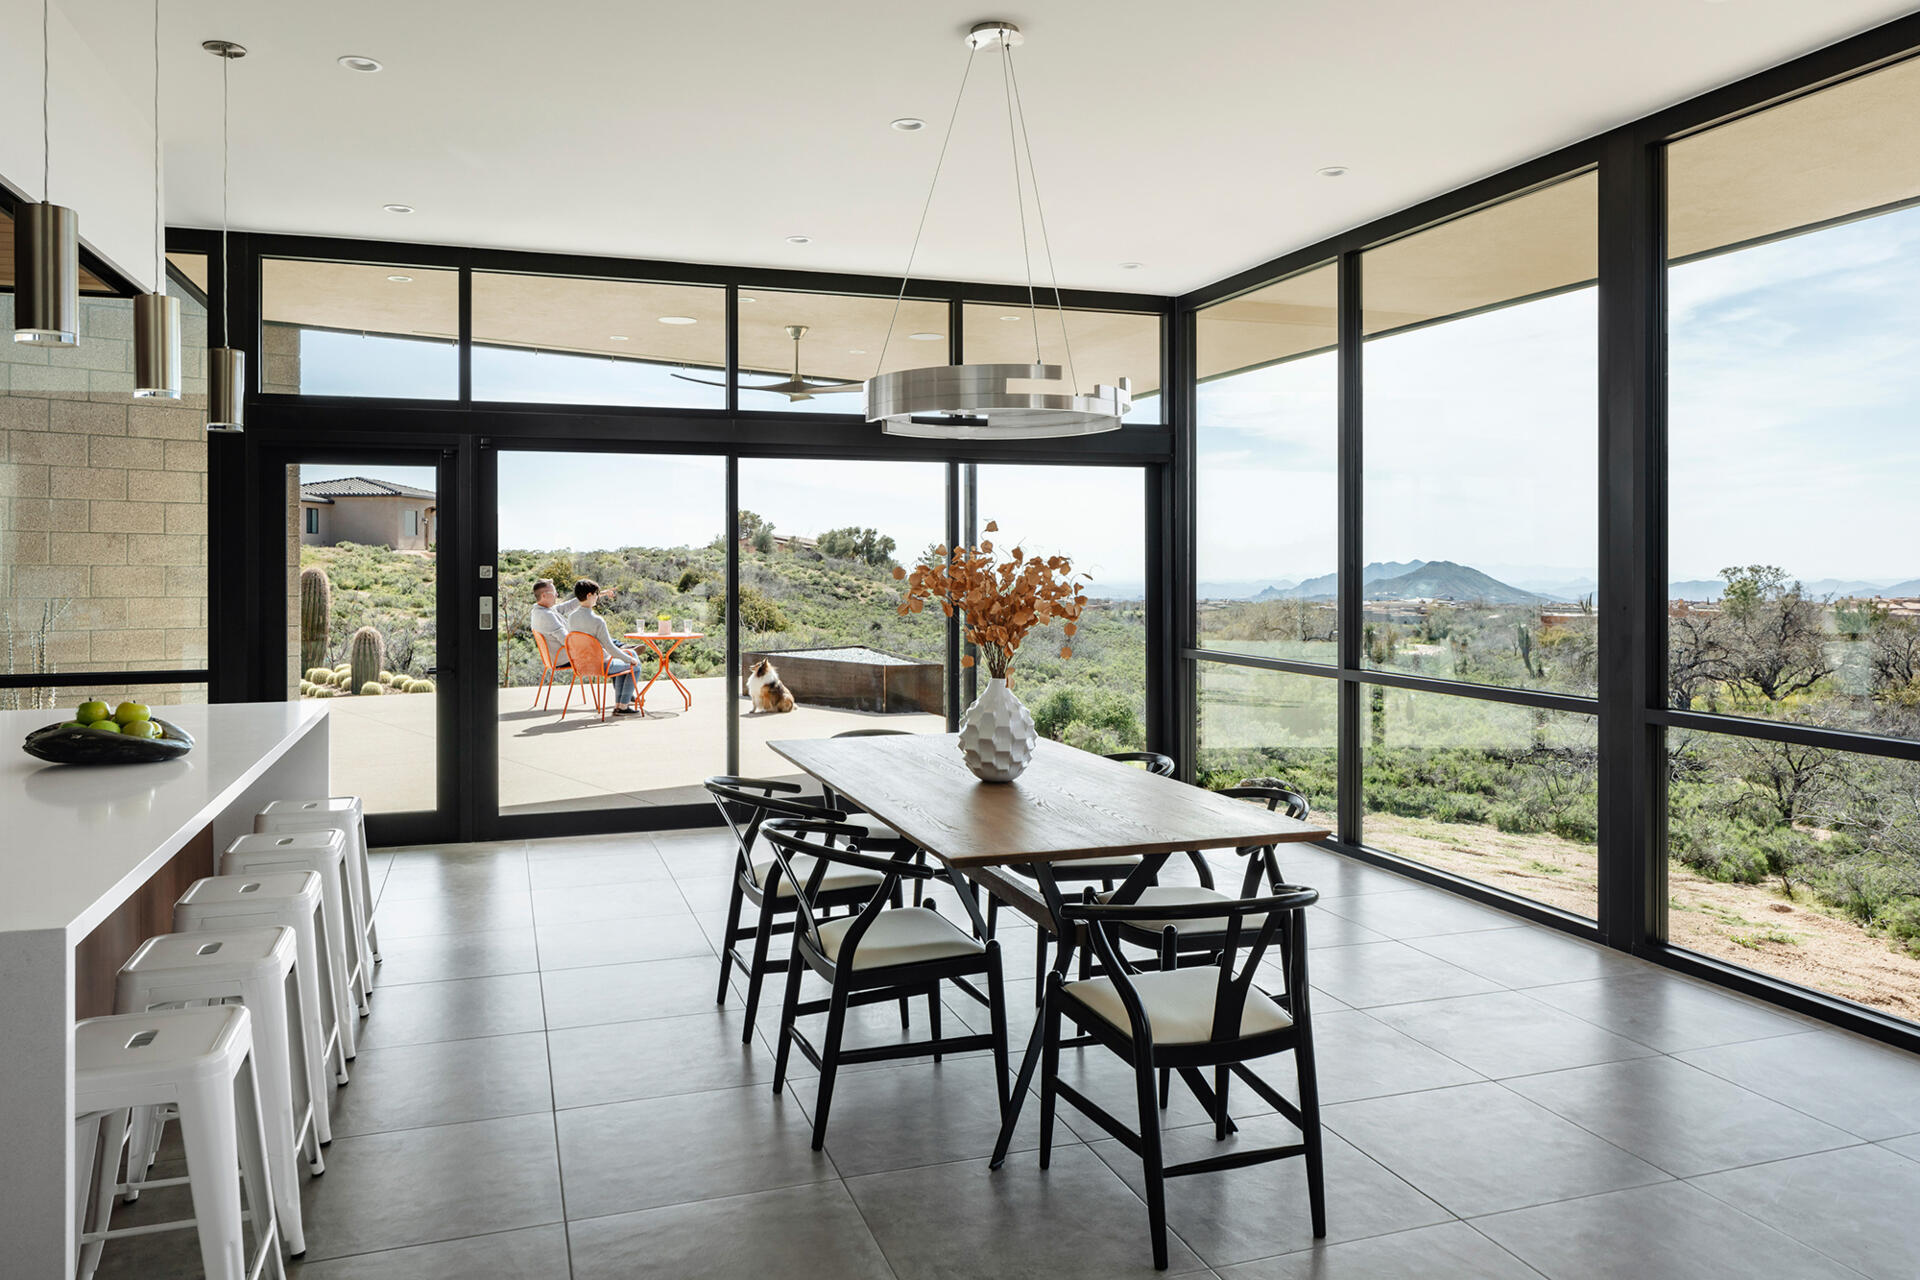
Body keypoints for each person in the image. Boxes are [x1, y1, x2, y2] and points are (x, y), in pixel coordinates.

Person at [565, 578, 642, 715]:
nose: (597, 598)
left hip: (581, 664)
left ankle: (620, 705)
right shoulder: (597, 621)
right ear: (589, 595)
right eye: (596, 594)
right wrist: (630, 660)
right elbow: (610, 648)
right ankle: (622, 706)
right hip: (600, 665)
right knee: (635, 664)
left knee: (629, 657)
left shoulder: (571, 617)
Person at [529, 580, 570, 673]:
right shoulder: (546, 615)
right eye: (554, 592)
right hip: (564, 658)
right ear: (544, 595)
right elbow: (567, 641)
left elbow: (567, 606)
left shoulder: (540, 610)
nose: (557, 595)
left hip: (558, 657)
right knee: (607, 653)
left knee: (608, 646)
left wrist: (594, 595)